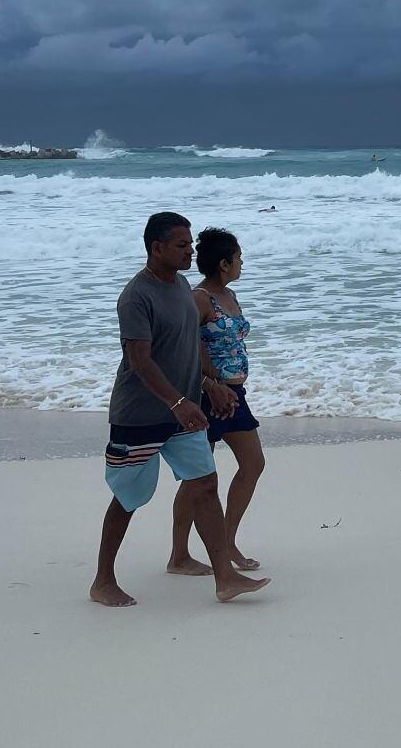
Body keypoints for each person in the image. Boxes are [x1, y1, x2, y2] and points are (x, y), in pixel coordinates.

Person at [90, 212, 269, 607]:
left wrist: (209, 386)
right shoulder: (136, 296)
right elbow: (140, 361)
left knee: (205, 483)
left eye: (191, 245)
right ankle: (102, 581)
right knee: (129, 497)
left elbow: (191, 347)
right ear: (157, 248)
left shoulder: (182, 286)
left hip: (184, 411)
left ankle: (225, 577)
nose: (191, 252)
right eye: (182, 246)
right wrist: (177, 401)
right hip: (140, 414)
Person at [168, 228, 267, 575]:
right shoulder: (199, 299)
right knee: (197, 479)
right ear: (224, 263)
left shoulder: (230, 294)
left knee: (253, 464)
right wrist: (210, 384)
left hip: (234, 394)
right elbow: (185, 346)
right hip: (208, 395)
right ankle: (179, 555)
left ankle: (226, 542)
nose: (242, 263)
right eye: (238, 258)